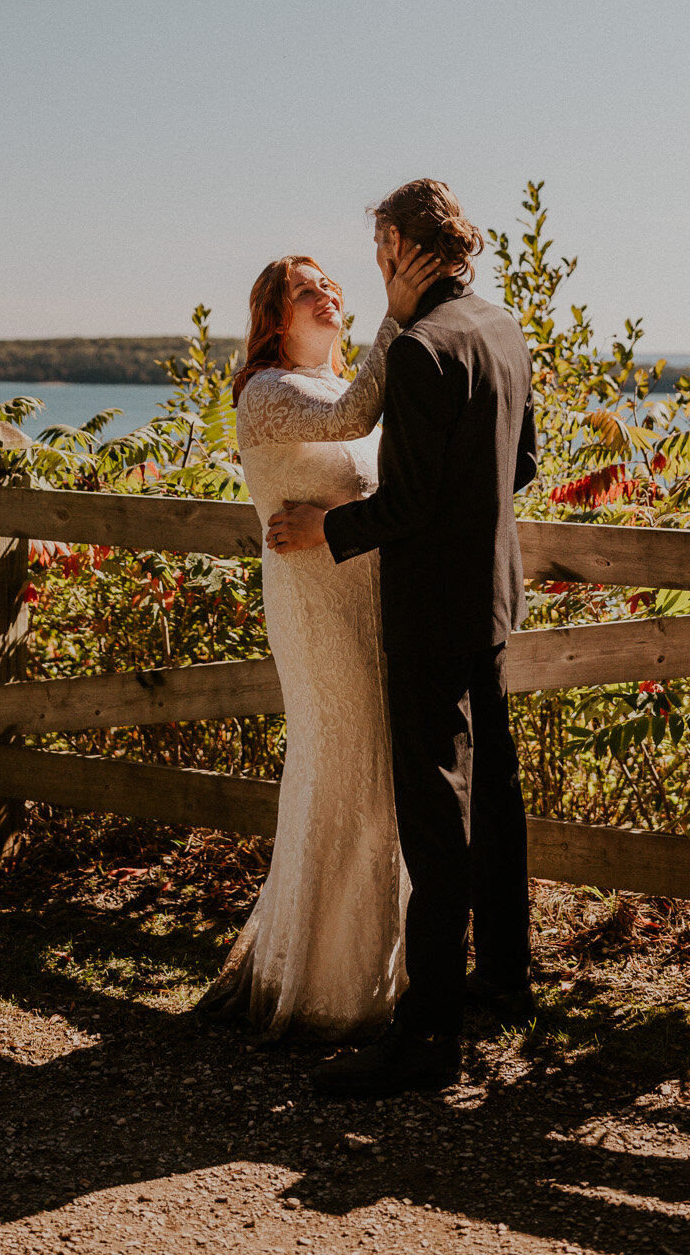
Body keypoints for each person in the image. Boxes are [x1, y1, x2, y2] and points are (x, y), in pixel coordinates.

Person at [268, 178, 538, 1097]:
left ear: (394, 246)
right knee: (494, 799)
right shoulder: (502, 329)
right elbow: (523, 462)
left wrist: (327, 532)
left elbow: (412, 501)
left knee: (436, 818)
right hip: (492, 600)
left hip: (428, 610)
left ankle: (427, 1039)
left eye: (377, 245)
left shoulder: (422, 350)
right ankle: (504, 981)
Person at [197, 242, 439, 1037]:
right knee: (346, 771)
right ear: (273, 320)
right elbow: (351, 420)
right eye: (306, 291)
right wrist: (401, 314)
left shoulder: (335, 383)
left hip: (371, 603)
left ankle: (377, 974)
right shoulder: (268, 391)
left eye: (331, 285)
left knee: (376, 781)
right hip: (316, 611)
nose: (326, 296)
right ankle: (323, 989)